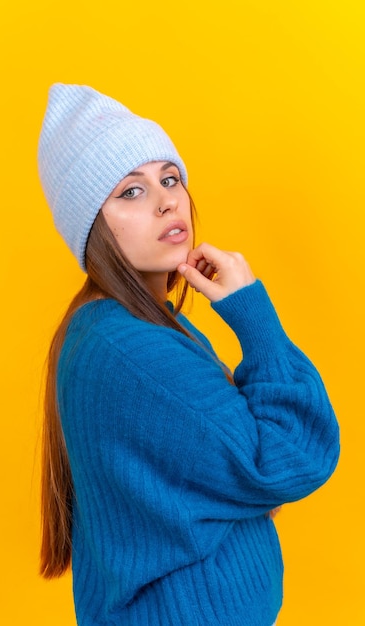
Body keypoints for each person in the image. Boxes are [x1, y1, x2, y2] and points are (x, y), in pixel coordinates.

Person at [37, 83, 339, 626]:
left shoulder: (137, 327)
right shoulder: (128, 349)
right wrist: (255, 318)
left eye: (169, 178)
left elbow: (234, 464)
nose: (167, 199)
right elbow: (291, 455)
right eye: (130, 191)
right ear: (91, 228)